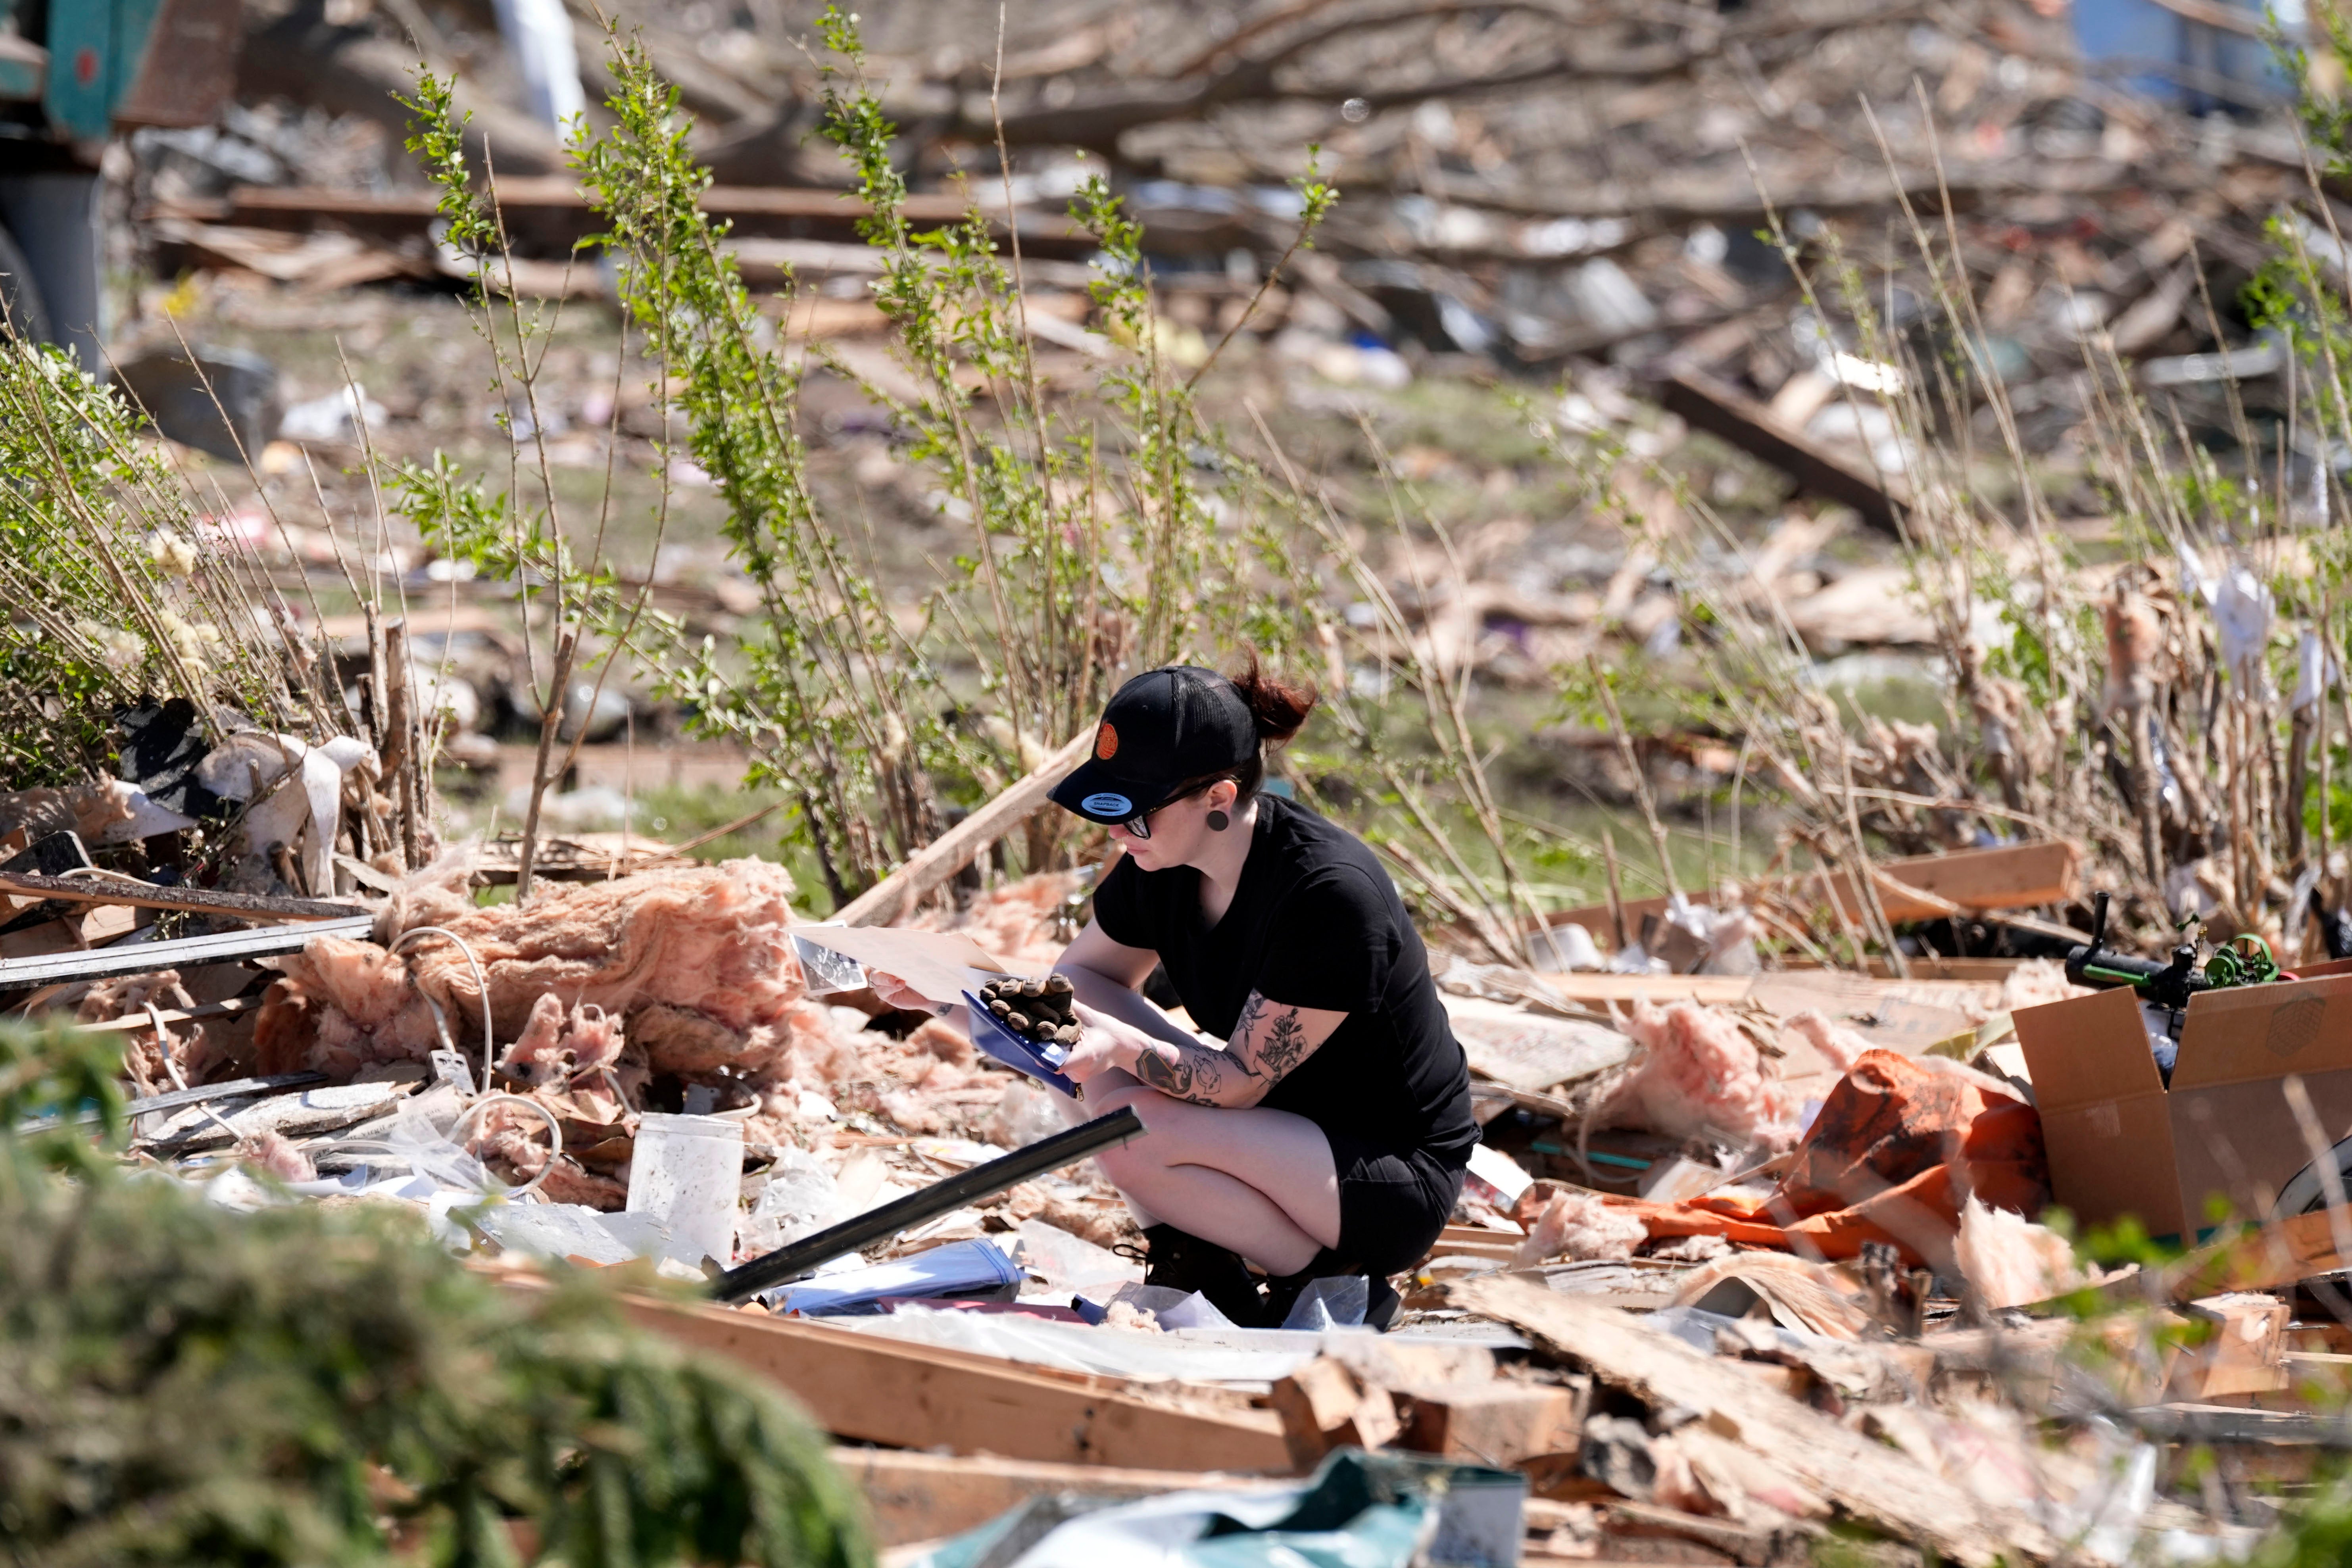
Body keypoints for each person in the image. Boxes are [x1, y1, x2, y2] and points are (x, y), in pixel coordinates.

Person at [1043, 660, 1478, 1329]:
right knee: (1077, 1055)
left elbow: (1240, 1081)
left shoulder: (1329, 897)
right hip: (1275, 1123)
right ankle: (1195, 1255)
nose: (1115, 832)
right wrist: (949, 997)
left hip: (1383, 1172)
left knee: (1131, 1131)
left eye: (1133, 814)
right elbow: (1074, 987)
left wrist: (1121, 1045)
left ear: (1218, 797)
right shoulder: (1161, 860)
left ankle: (1317, 1274)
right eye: (1107, 807)